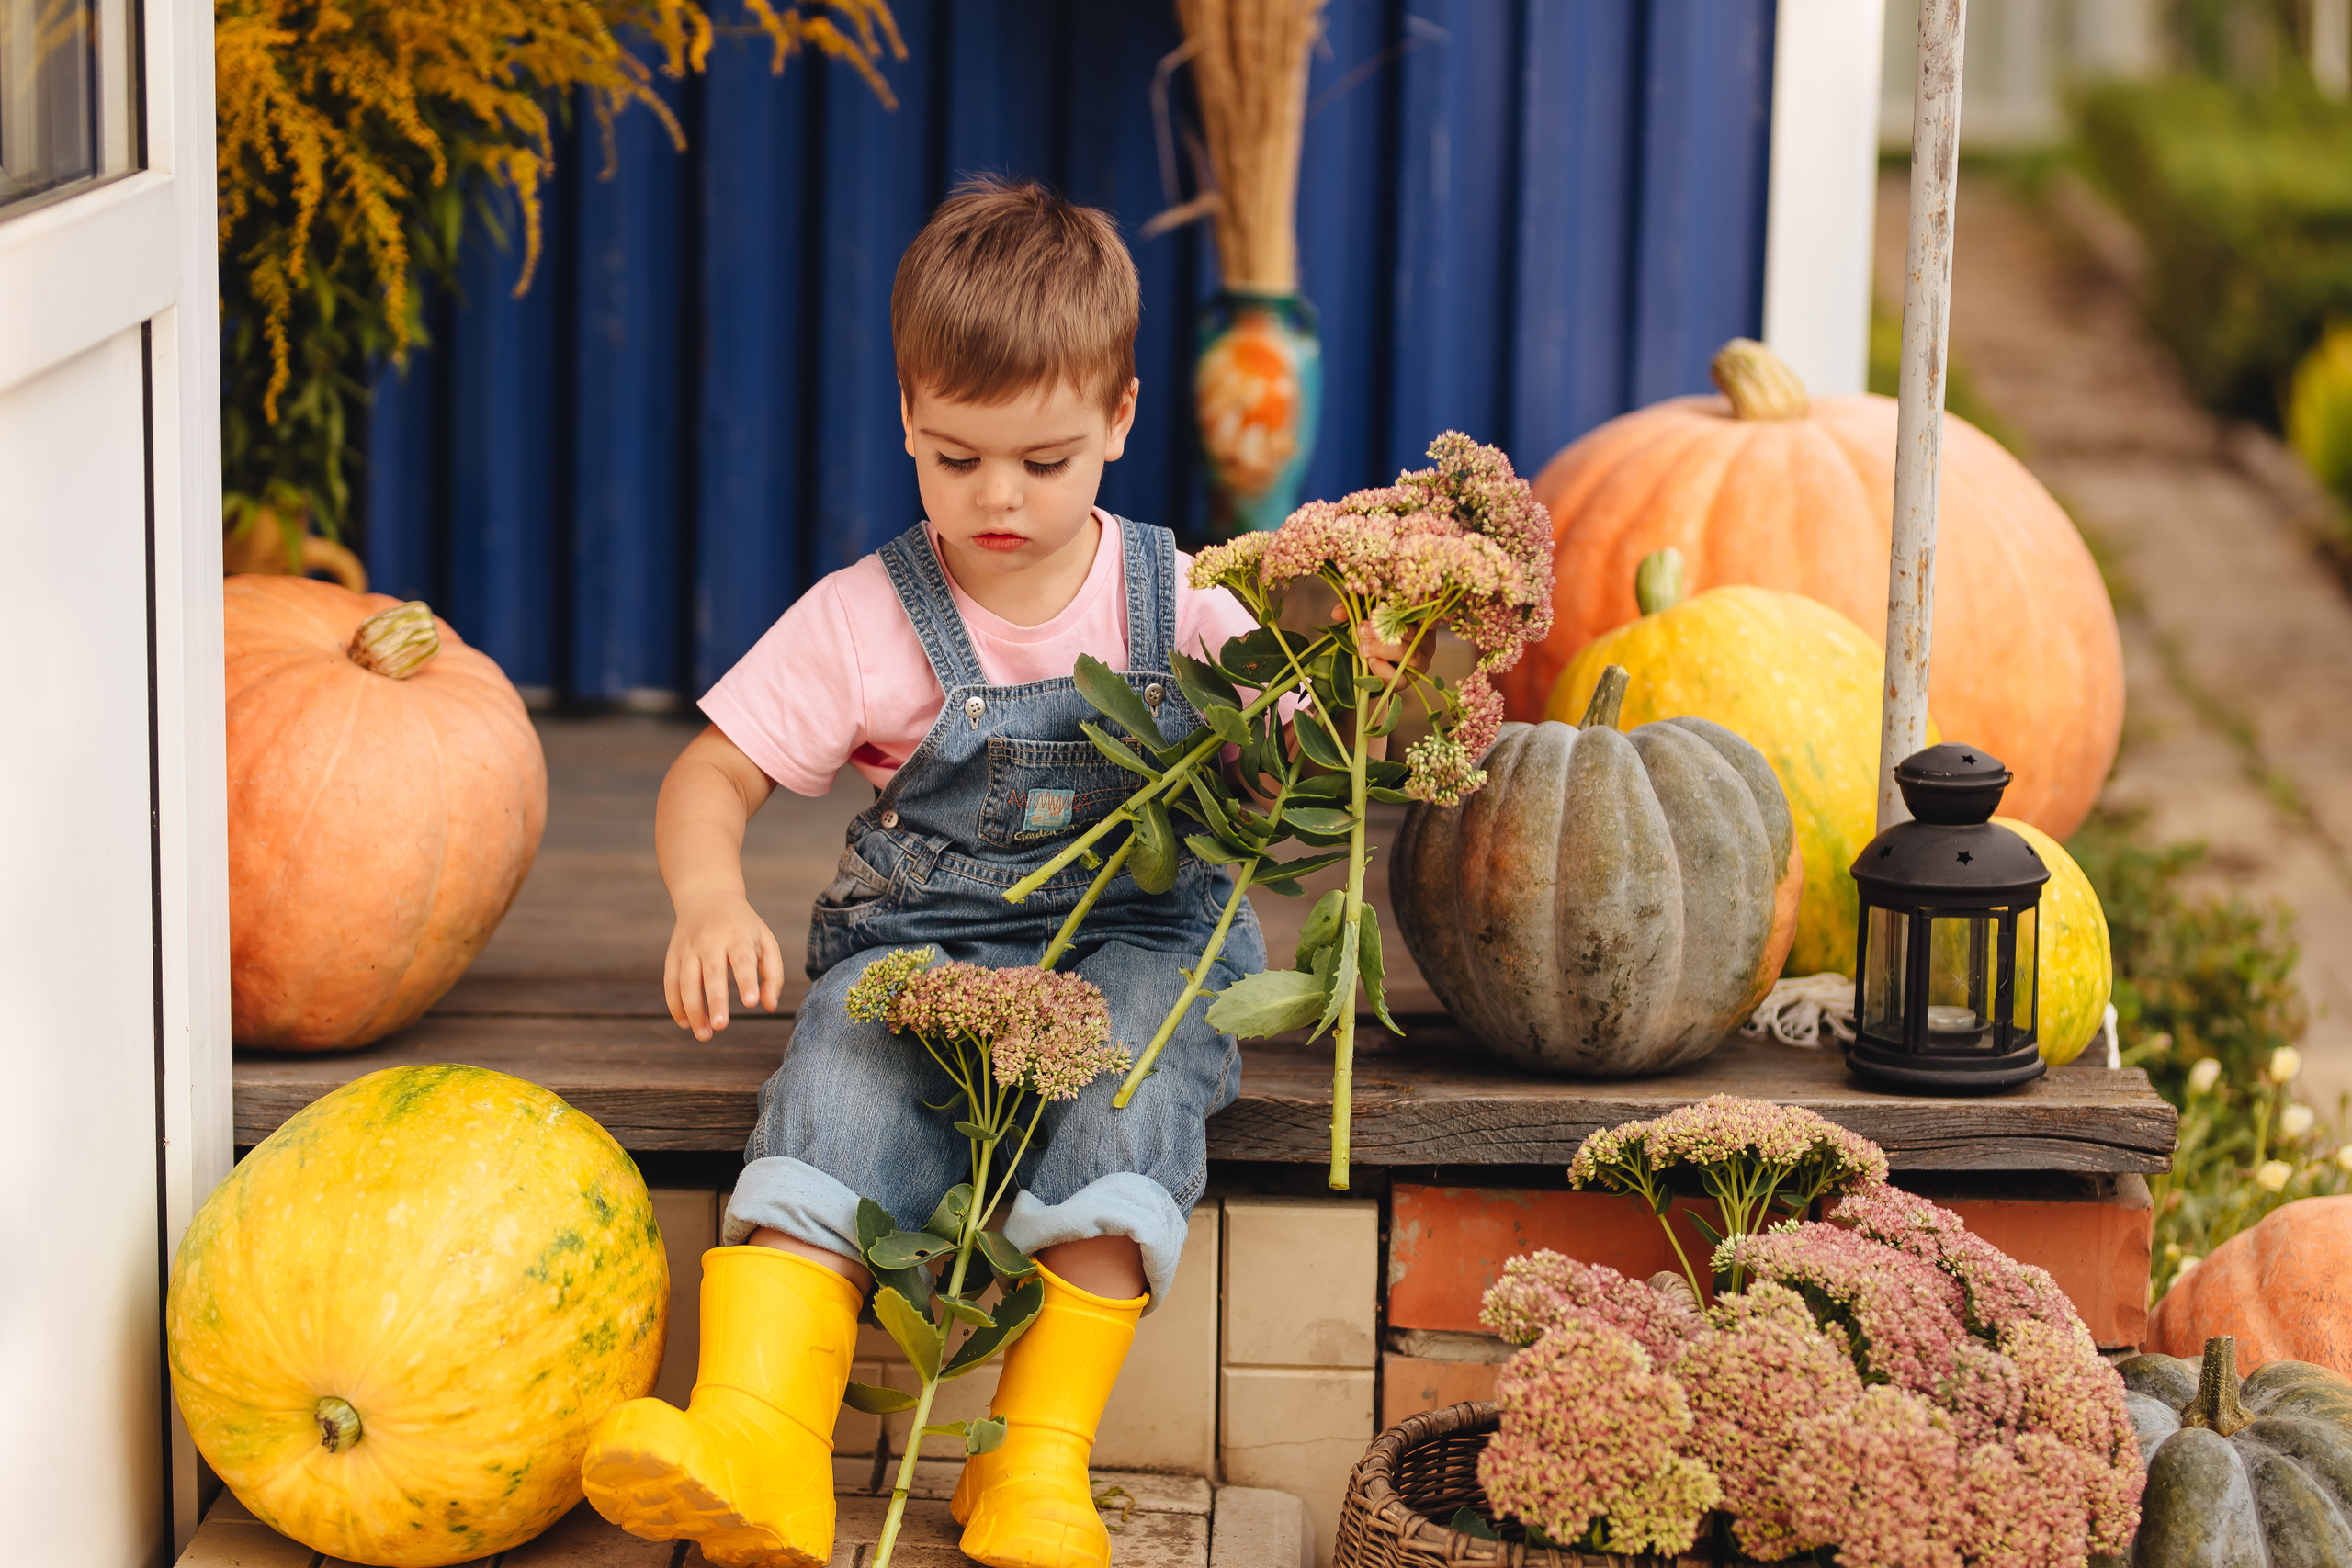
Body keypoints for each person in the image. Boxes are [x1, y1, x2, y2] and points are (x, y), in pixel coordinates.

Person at [580, 176, 1272, 1568]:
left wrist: (1338, 680)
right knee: (840, 1059)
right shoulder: (869, 615)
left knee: (1125, 1082)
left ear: (1124, 421)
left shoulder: (1186, 598)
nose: (998, 498)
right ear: (905, 416)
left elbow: (1299, 734)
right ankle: (761, 1438)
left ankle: (1030, 1466)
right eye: (954, 459)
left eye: (1045, 459)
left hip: (1135, 933)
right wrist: (709, 895)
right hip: (928, 943)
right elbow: (711, 772)